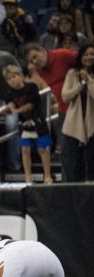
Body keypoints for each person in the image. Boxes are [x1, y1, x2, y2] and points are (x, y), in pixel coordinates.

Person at [3, 65, 53, 184]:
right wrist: (9, 108)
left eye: (14, 77)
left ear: (20, 76)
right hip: (24, 124)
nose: (12, 80)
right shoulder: (10, 92)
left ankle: (47, 175)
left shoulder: (31, 87)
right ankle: (28, 177)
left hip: (38, 122)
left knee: (42, 149)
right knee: (25, 149)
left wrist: (15, 111)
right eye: (9, 79)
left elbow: (30, 105)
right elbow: (10, 104)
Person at [59, 44, 94, 182]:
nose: (89, 57)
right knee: (74, 163)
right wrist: (80, 85)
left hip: (92, 124)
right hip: (73, 124)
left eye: (92, 54)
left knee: (91, 163)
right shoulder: (72, 73)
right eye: (86, 54)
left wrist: (89, 79)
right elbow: (65, 96)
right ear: (81, 57)